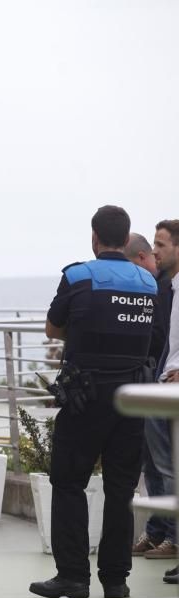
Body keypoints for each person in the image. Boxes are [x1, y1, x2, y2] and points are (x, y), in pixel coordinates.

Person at [30, 205, 156, 598]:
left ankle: (73, 577)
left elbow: (53, 326)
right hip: (133, 398)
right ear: (127, 236)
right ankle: (116, 580)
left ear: (94, 237)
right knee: (121, 490)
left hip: (86, 397)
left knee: (68, 483)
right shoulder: (148, 282)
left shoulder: (78, 276)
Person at [133, 221, 179, 561]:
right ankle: (158, 531)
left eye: (161, 245)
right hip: (161, 381)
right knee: (154, 464)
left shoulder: (167, 288)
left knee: (168, 466)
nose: (155, 251)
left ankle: (173, 539)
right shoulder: (169, 287)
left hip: (168, 385)